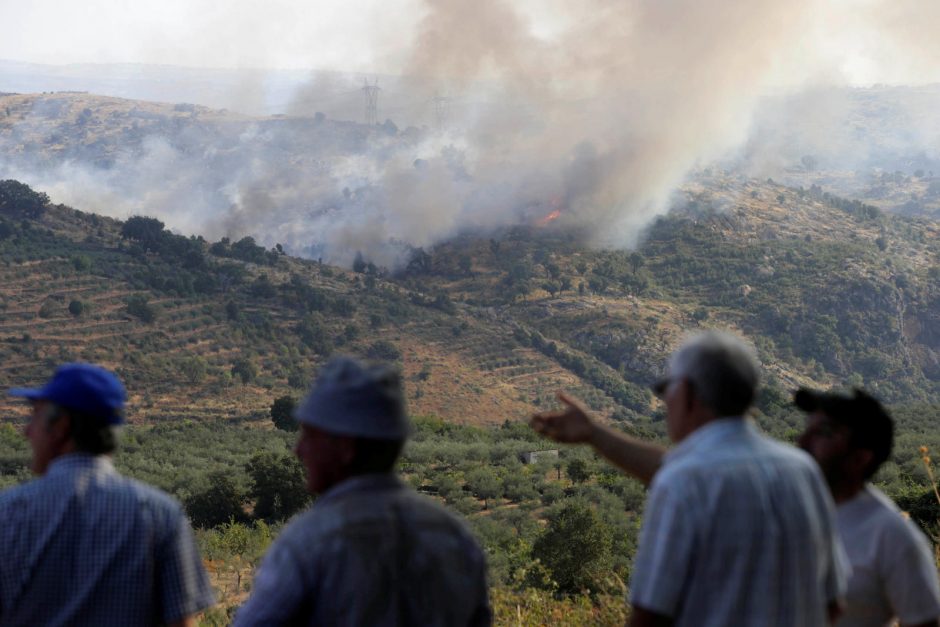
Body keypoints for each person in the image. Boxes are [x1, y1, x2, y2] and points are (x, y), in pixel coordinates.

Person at [532, 330, 847, 626]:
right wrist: (594, 433)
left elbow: (650, 617)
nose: (664, 400)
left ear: (689, 394)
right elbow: (833, 605)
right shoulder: (802, 471)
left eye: (665, 389)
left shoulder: (683, 482)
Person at [234, 356, 491, 627]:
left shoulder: (310, 542)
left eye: (309, 436)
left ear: (346, 448)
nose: (299, 450)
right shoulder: (455, 537)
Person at [0, 363, 214, 626]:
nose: (26, 431)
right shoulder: (161, 515)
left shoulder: (7, 512)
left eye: (35, 416)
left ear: (61, 427)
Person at [795, 387, 940, 627]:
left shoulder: (892, 536)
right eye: (807, 429)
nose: (802, 442)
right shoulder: (782, 509)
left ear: (860, 458)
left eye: (823, 433)